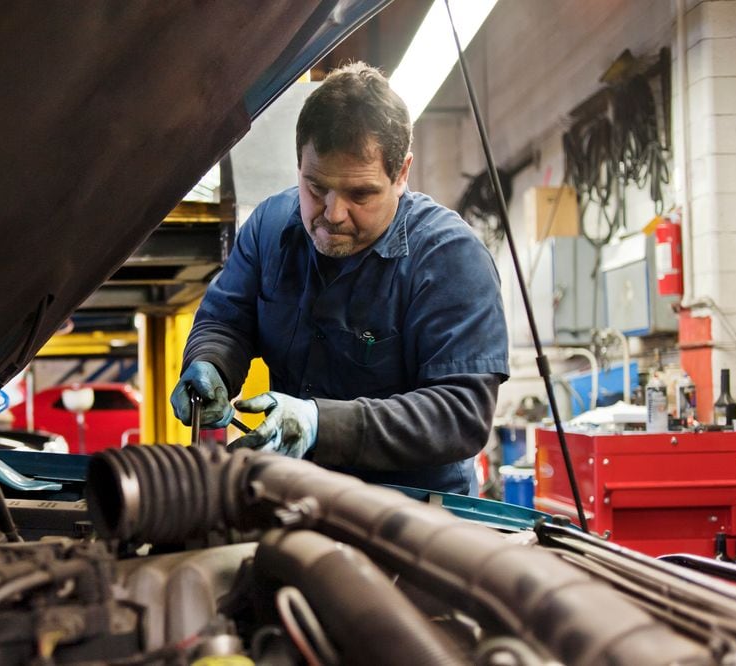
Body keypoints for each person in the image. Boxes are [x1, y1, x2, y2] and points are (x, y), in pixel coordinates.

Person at [170, 62, 509, 494]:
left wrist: (320, 423)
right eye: (316, 188)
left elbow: (461, 414)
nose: (332, 214)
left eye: (360, 194)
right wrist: (211, 362)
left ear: (401, 173)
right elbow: (227, 320)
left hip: (414, 521)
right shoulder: (269, 229)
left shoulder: (449, 259)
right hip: (295, 496)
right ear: (298, 165)